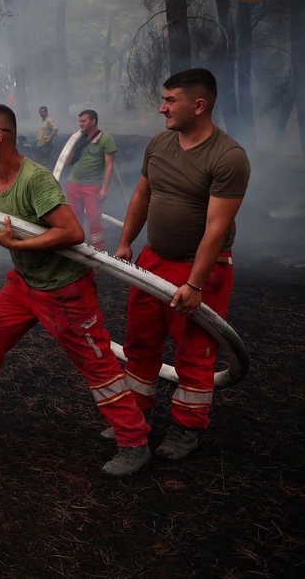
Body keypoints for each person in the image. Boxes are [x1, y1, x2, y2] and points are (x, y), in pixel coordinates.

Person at [0, 103, 151, 477]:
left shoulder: (36, 179)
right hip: (24, 285)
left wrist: (16, 247)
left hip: (65, 291)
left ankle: (134, 443)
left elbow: (71, 232)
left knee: (97, 365)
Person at [110, 68, 250, 461]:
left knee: (194, 351)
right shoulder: (160, 143)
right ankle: (135, 417)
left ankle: (187, 430)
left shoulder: (228, 157)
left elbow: (216, 228)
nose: (162, 108)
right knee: (140, 341)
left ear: (199, 105)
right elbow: (141, 197)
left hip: (200, 269)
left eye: (171, 101)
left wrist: (196, 283)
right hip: (152, 260)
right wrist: (126, 245)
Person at [66, 110, 116, 250]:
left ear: (93, 121)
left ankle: (99, 249)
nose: (80, 124)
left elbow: (110, 165)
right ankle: (76, 245)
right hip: (73, 184)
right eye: (80, 121)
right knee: (75, 217)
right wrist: (72, 143)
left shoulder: (106, 139)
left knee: (94, 218)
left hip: (92, 186)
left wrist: (105, 188)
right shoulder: (79, 138)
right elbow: (68, 161)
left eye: (84, 121)